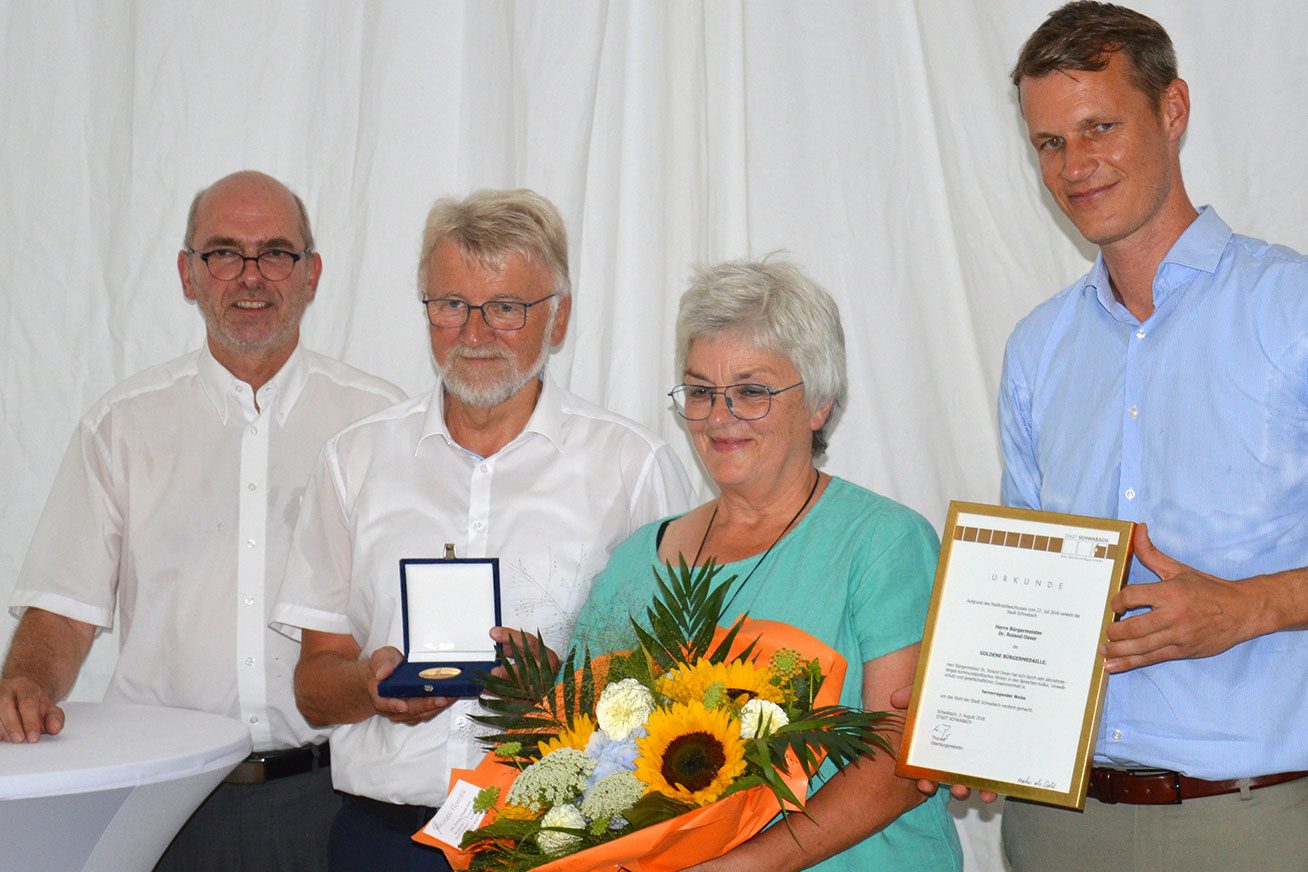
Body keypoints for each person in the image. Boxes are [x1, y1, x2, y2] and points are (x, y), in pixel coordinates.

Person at [271, 188, 693, 871]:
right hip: (384, 843)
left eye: (506, 308)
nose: (475, 333)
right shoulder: (356, 460)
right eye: (451, 306)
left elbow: (679, 687)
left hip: (562, 842)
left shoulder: (632, 469)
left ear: (557, 320)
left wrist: (559, 693)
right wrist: (368, 686)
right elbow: (313, 687)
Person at [0, 170, 405, 871]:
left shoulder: (379, 425)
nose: (251, 276)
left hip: (333, 797)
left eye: (275, 252)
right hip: (165, 804)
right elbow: (62, 616)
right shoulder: (122, 427)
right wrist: (26, 683)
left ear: (311, 274)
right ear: (189, 275)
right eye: (223, 253)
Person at [993, 3, 1308, 868]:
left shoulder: (1294, 313)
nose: (1075, 165)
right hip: (1060, 824)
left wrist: (1246, 608)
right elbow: (1029, 591)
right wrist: (979, 721)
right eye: (1049, 143)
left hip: (1256, 822)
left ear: (1173, 112)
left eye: (1100, 127)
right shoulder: (1037, 349)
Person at [570, 258, 964, 871]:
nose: (719, 417)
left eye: (751, 391)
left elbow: (901, 759)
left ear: (820, 404)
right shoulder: (634, 563)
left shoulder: (884, 544)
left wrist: (745, 865)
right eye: (701, 391)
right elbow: (583, 748)